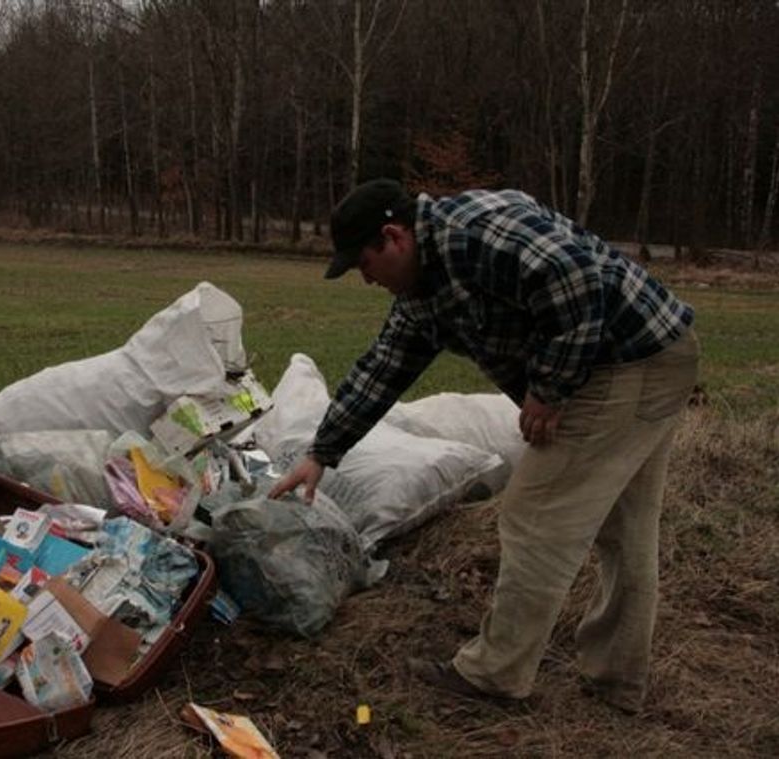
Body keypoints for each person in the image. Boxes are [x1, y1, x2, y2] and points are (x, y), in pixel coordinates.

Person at [268, 178, 699, 714]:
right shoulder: (424, 288)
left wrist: (547, 388)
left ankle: (494, 676)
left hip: (630, 361)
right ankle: (617, 681)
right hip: (647, 356)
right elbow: (384, 367)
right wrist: (320, 453)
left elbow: (575, 278)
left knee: (532, 515)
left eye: (364, 264)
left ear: (393, 237)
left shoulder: (474, 235)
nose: (366, 279)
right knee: (625, 526)